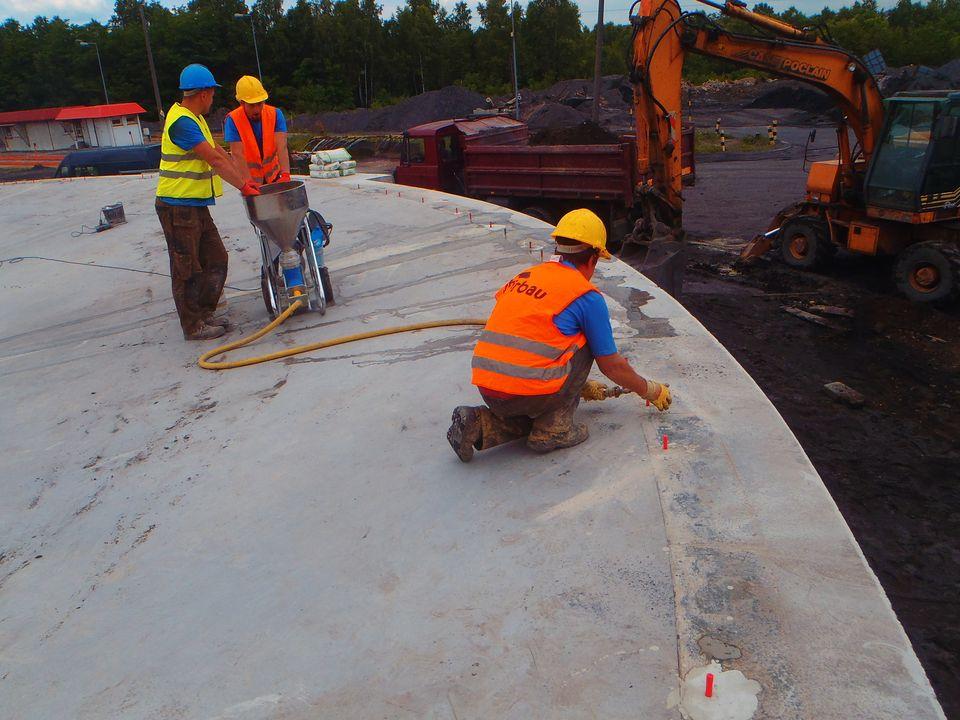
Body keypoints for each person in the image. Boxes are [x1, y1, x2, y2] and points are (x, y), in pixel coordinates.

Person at [447, 208, 672, 462]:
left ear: (558, 249)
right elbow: (612, 366)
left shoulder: (524, 277)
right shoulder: (585, 296)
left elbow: (532, 337)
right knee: (589, 339)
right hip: (530, 393)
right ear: (593, 259)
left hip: (489, 389)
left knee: (530, 396)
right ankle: (554, 429)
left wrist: (580, 386)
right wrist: (649, 390)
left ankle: (480, 423)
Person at [155, 64, 260, 341]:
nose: (213, 99)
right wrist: (243, 187)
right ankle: (193, 325)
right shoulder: (182, 122)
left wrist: (245, 181)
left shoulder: (196, 118)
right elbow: (212, 159)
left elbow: (219, 154)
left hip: (195, 205)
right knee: (186, 268)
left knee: (216, 259)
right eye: (212, 93)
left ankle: (205, 313)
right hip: (177, 206)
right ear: (203, 93)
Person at [224, 76, 291, 186]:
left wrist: (285, 174)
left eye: (260, 104)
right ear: (242, 103)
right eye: (251, 105)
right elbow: (237, 154)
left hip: (274, 176)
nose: (256, 109)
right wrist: (247, 181)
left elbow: (282, 146)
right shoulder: (233, 120)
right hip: (250, 180)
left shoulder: (275, 114)